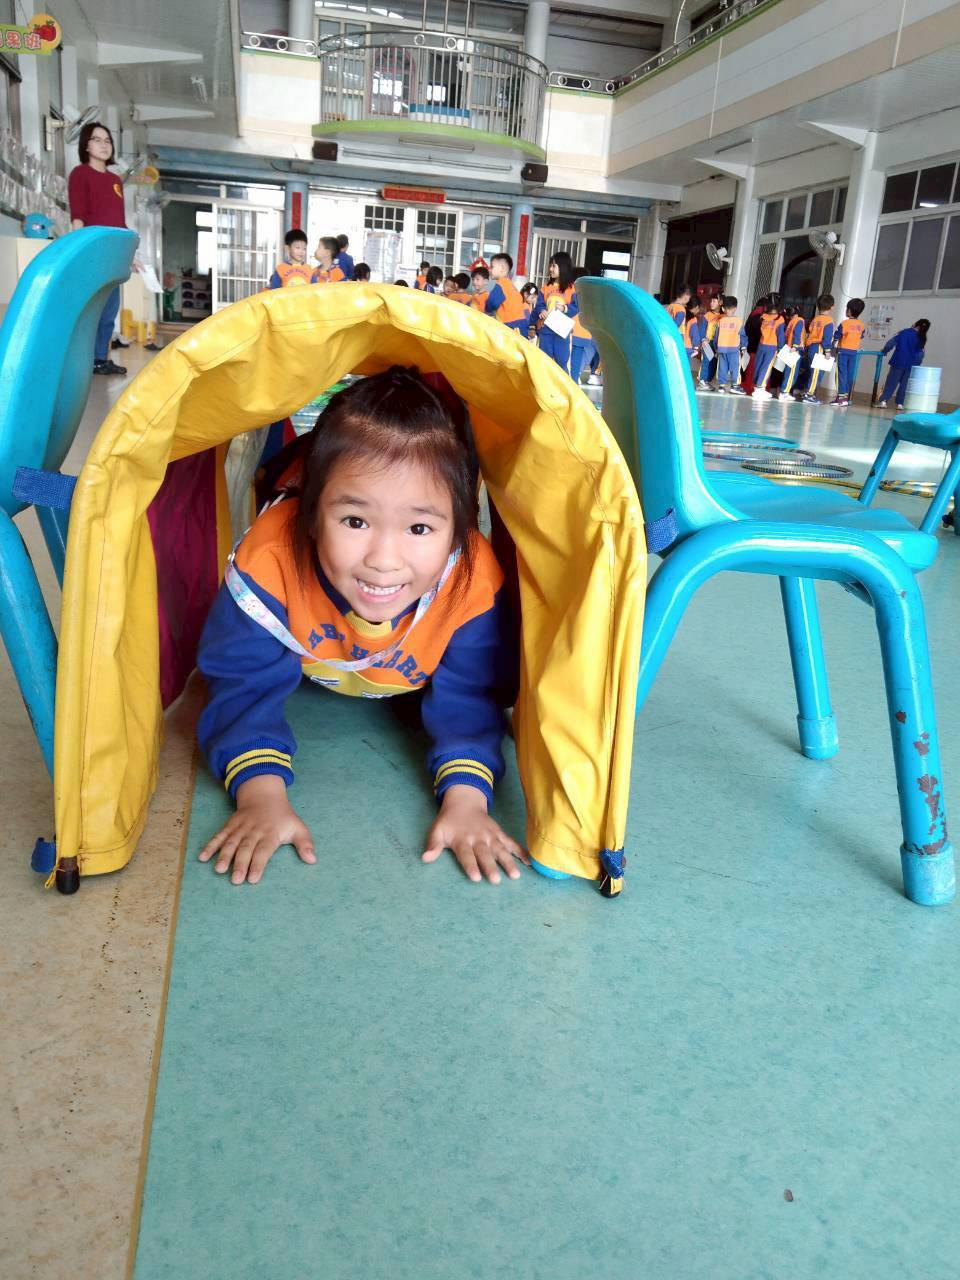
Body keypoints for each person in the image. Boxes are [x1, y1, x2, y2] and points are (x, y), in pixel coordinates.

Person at [196, 367, 527, 888]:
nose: (383, 560)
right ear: (310, 514)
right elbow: (240, 680)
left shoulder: (471, 582)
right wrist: (260, 794)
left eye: (419, 527)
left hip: (407, 680)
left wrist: (467, 801)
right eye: (355, 521)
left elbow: (472, 697)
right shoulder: (271, 559)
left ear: (459, 532)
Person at [67, 121, 130, 376]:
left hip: (114, 254)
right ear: (86, 145)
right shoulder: (80, 174)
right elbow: (78, 214)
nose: (104, 145)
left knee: (109, 311)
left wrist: (131, 252)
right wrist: (79, 251)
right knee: (90, 309)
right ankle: (82, 359)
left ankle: (100, 359)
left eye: (107, 141)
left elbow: (120, 221)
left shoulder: (115, 181)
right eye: (97, 140)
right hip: (93, 251)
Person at [532, 252, 579, 373]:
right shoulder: (545, 288)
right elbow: (539, 304)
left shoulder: (571, 288)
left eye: (554, 266)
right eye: (550, 265)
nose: (550, 269)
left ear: (563, 267)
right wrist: (542, 310)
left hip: (562, 332)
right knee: (544, 361)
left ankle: (561, 384)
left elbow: (576, 307)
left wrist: (565, 308)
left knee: (562, 362)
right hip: (546, 331)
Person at [878, 319, 931, 409]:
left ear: (916, 324)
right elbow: (921, 354)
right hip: (912, 365)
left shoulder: (903, 332)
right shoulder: (922, 338)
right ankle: (900, 404)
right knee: (905, 385)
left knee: (891, 383)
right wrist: (917, 364)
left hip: (898, 362)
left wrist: (884, 351)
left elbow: (890, 344)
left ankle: (883, 401)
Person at [797, 293, 836, 404]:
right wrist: (827, 351)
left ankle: (808, 392)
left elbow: (810, 331)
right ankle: (809, 394)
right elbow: (827, 338)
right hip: (820, 348)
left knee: (812, 371)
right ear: (832, 307)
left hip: (811, 347)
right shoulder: (828, 321)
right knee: (817, 373)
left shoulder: (815, 319)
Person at [829, 297, 865, 408]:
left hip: (842, 352)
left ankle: (841, 398)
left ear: (849, 310)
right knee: (849, 375)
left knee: (841, 374)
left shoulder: (844, 323)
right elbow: (861, 336)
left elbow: (837, 336)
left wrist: (832, 346)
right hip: (854, 353)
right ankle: (845, 397)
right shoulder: (861, 325)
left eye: (847, 308)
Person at [750, 293, 785, 400]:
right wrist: (780, 348)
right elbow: (780, 336)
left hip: (761, 345)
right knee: (766, 367)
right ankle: (760, 388)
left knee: (758, 365)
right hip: (772, 347)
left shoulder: (763, 317)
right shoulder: (780, 319)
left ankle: (756, 386)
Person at [482, 253, 528, 334]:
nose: (489, 270)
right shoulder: (510, 285)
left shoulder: (501, 283)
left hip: (511, 325)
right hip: (520, 324)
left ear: (502, 268)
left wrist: (486, 309)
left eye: (492, 267)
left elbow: (492, 302)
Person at [714, 295, 748, 394]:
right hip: (734, 349)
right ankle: (735, 386)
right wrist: (743, 346)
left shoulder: (721, 321)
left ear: (723, 308)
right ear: (735, 308)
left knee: (722, 367)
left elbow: (716, 336)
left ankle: (721, 386)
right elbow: (742, 335)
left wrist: (716, 347)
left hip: (722, 349)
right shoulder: (738, 321)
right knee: (735, 367)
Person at [777, 305, 805, 398]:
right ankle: (784, 392)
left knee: (788, 372)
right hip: (795, 350)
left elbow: (786, 336)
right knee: (792, 373)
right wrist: (795, 346)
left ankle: (784, 391)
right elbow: (797, 334)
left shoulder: (790, 322)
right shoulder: (799, 320)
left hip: (788, 348)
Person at [697, 293, 722, 390]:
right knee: (706, 361)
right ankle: (702, 381)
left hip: (717, 344)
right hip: (707, 343)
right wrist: (703, 339)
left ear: (720, 302)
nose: (711, 303)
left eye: (714, 301)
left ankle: (706, 381)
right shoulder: (707, 315)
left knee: (713, 362)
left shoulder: (723, 316)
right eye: (711, 301)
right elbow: (702, 329)